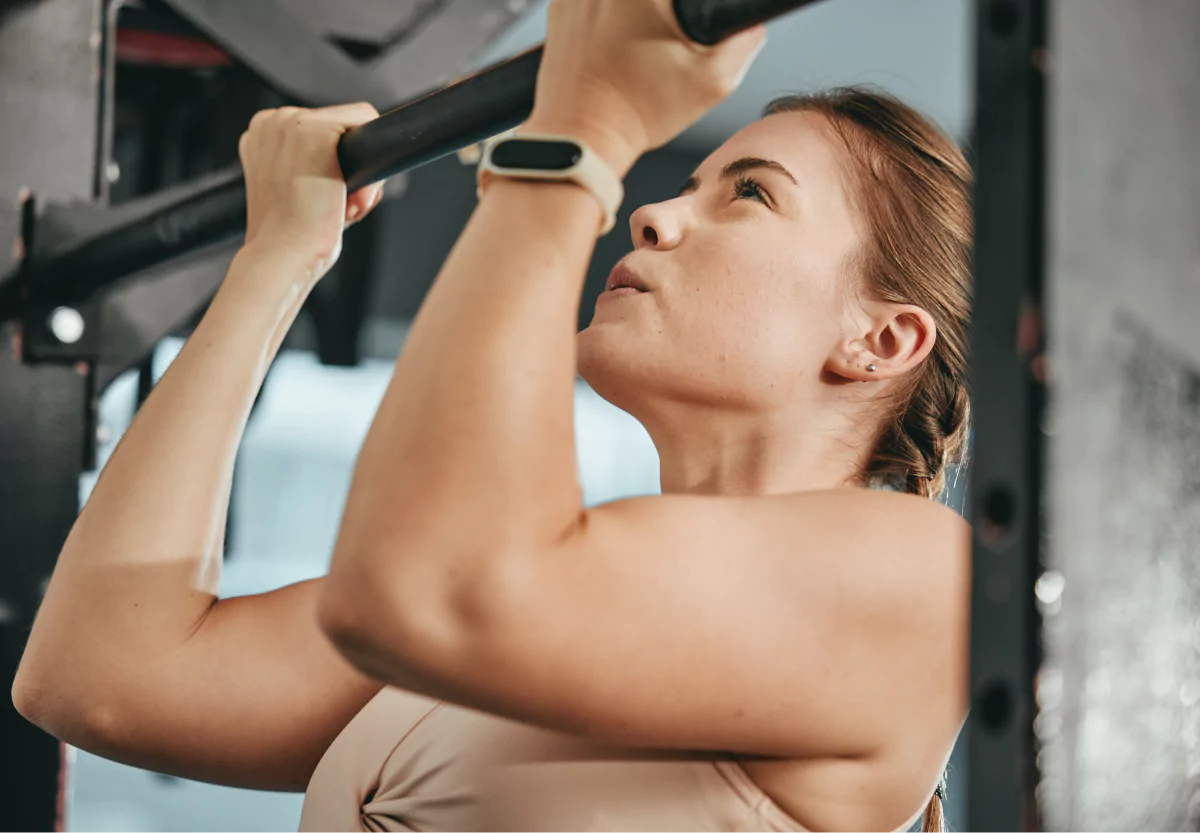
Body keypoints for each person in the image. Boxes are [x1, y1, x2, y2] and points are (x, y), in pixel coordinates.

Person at [13, 1, 971, 831]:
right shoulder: (564, 588)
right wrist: (276, 261)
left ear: (880, 342)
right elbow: (100, 672)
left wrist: (585, 128)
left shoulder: (921, 582)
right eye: (683, 184)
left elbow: (437, 587)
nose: (653, 217)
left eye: (750, 193)